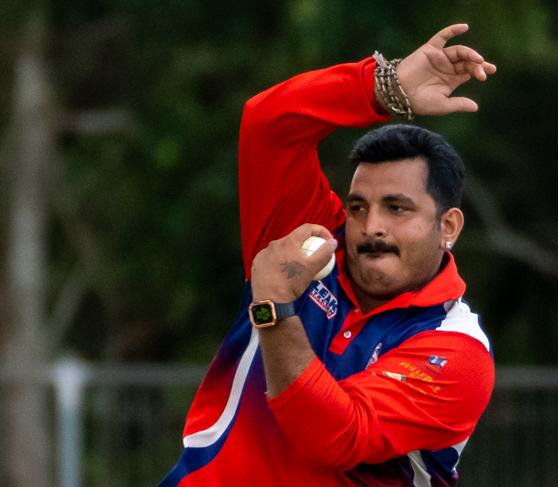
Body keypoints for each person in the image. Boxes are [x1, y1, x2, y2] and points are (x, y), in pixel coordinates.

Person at [160, 23, 497, 487]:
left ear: (449, 227)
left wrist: (274, 308)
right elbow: (269, 123)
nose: (371, 225)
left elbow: (336, 435)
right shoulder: (311, 240)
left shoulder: (459, 350)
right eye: (359, 206)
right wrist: (385, 87)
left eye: (397, 208)